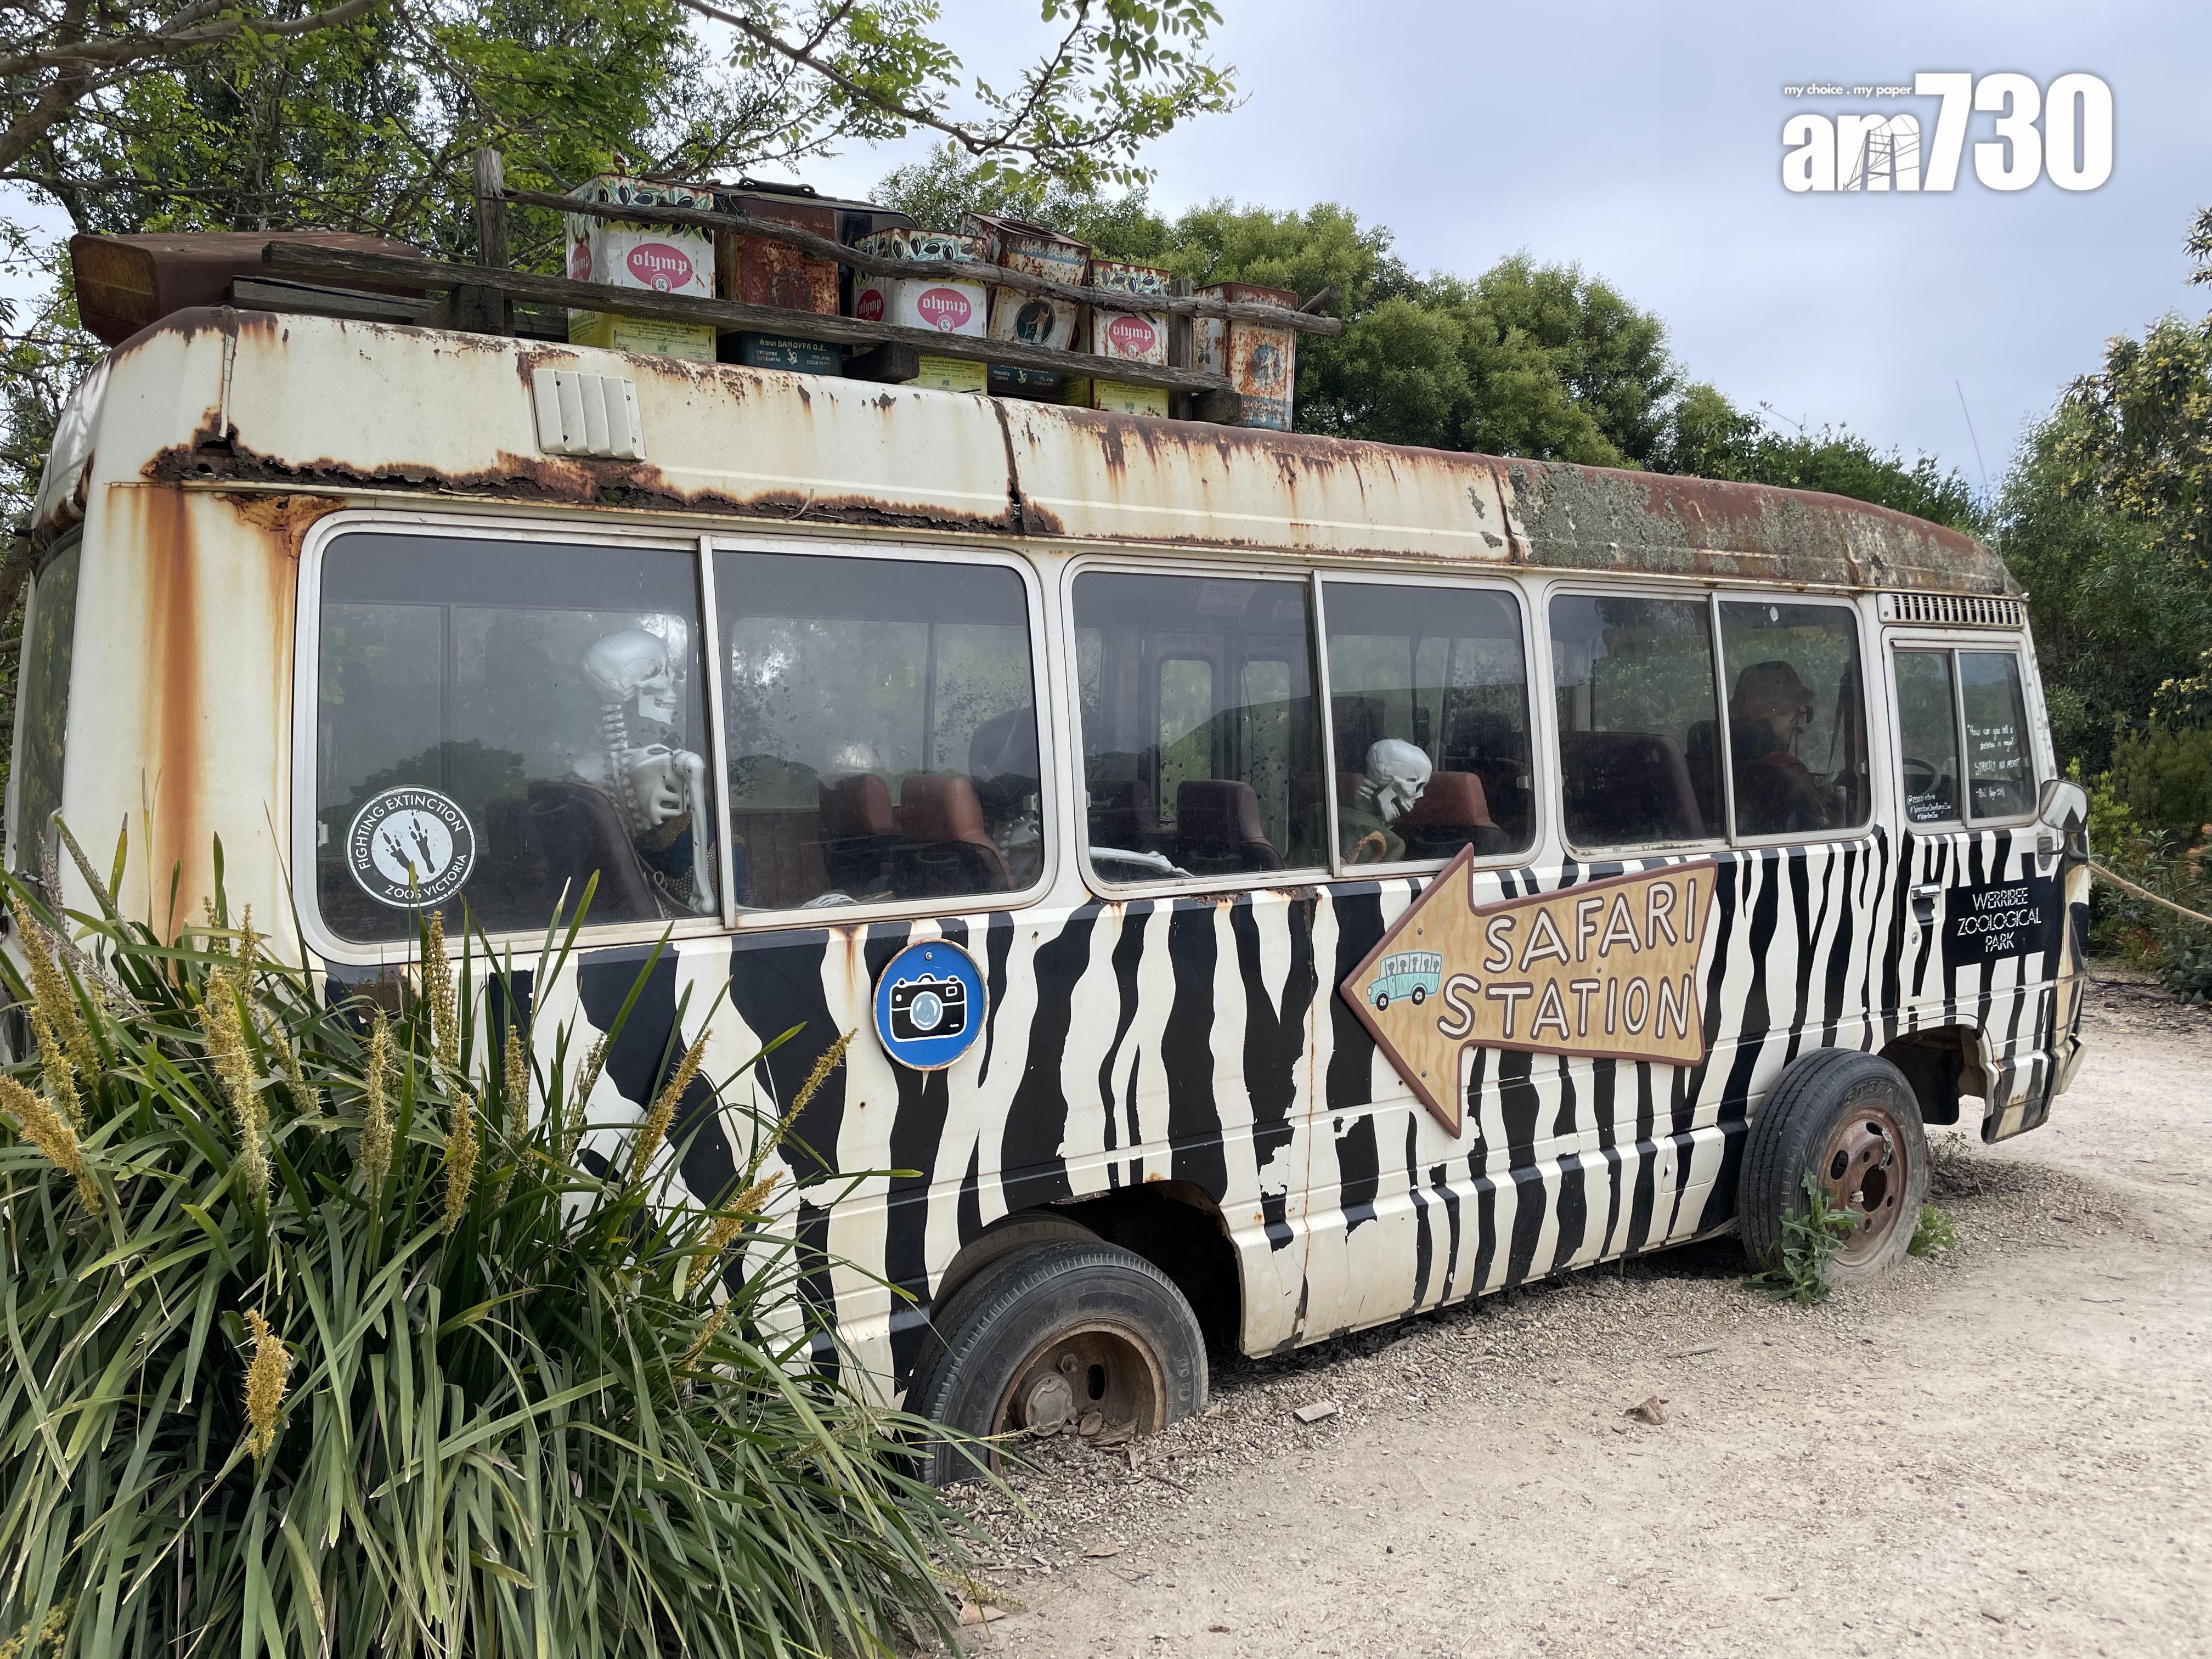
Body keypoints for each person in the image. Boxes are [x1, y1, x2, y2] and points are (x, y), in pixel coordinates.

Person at [1729, 659, 1835, 835]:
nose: (1799, 728)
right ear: (1768, 718)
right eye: (1797, 714)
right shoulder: (1784, 771)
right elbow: (1825, 835)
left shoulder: (1716, 767)